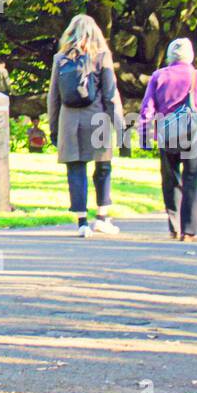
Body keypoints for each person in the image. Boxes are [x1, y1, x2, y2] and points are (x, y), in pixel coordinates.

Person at [47, 15, 125, 237]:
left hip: (69, 121)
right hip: (97, 119)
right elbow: (110, 95)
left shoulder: (60, 58)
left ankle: (82, 222)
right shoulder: (102, 56)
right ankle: (102, 217)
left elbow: (53, 97)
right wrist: (120, 127)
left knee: (76, 168)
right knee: (103, 168)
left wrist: (54, 128)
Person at [140, 38, 197, 241]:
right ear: (191, 56)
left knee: (170, 181)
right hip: (193, 136)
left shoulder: (158, 76)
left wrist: (145, 136)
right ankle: (189, 230)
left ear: (170, 56)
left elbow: (147, 109)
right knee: (191, 182)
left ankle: (174, 226)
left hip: (167, 136)